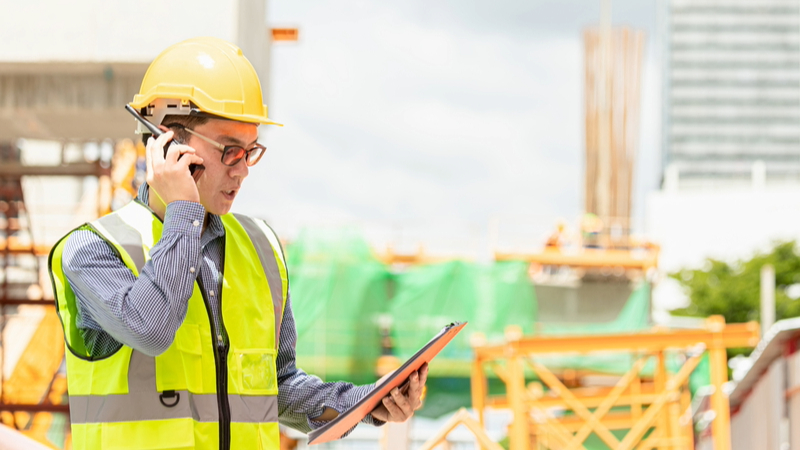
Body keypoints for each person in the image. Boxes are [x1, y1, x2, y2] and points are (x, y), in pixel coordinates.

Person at [48, 37, 427, 450]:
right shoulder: (91, 250)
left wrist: (368, 402)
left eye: (251, 151)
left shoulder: (261, 248)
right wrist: (184, 211)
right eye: (230, 151)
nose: (243, 171)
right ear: (168, 144)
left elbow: (278, 388)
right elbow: (151, 328)